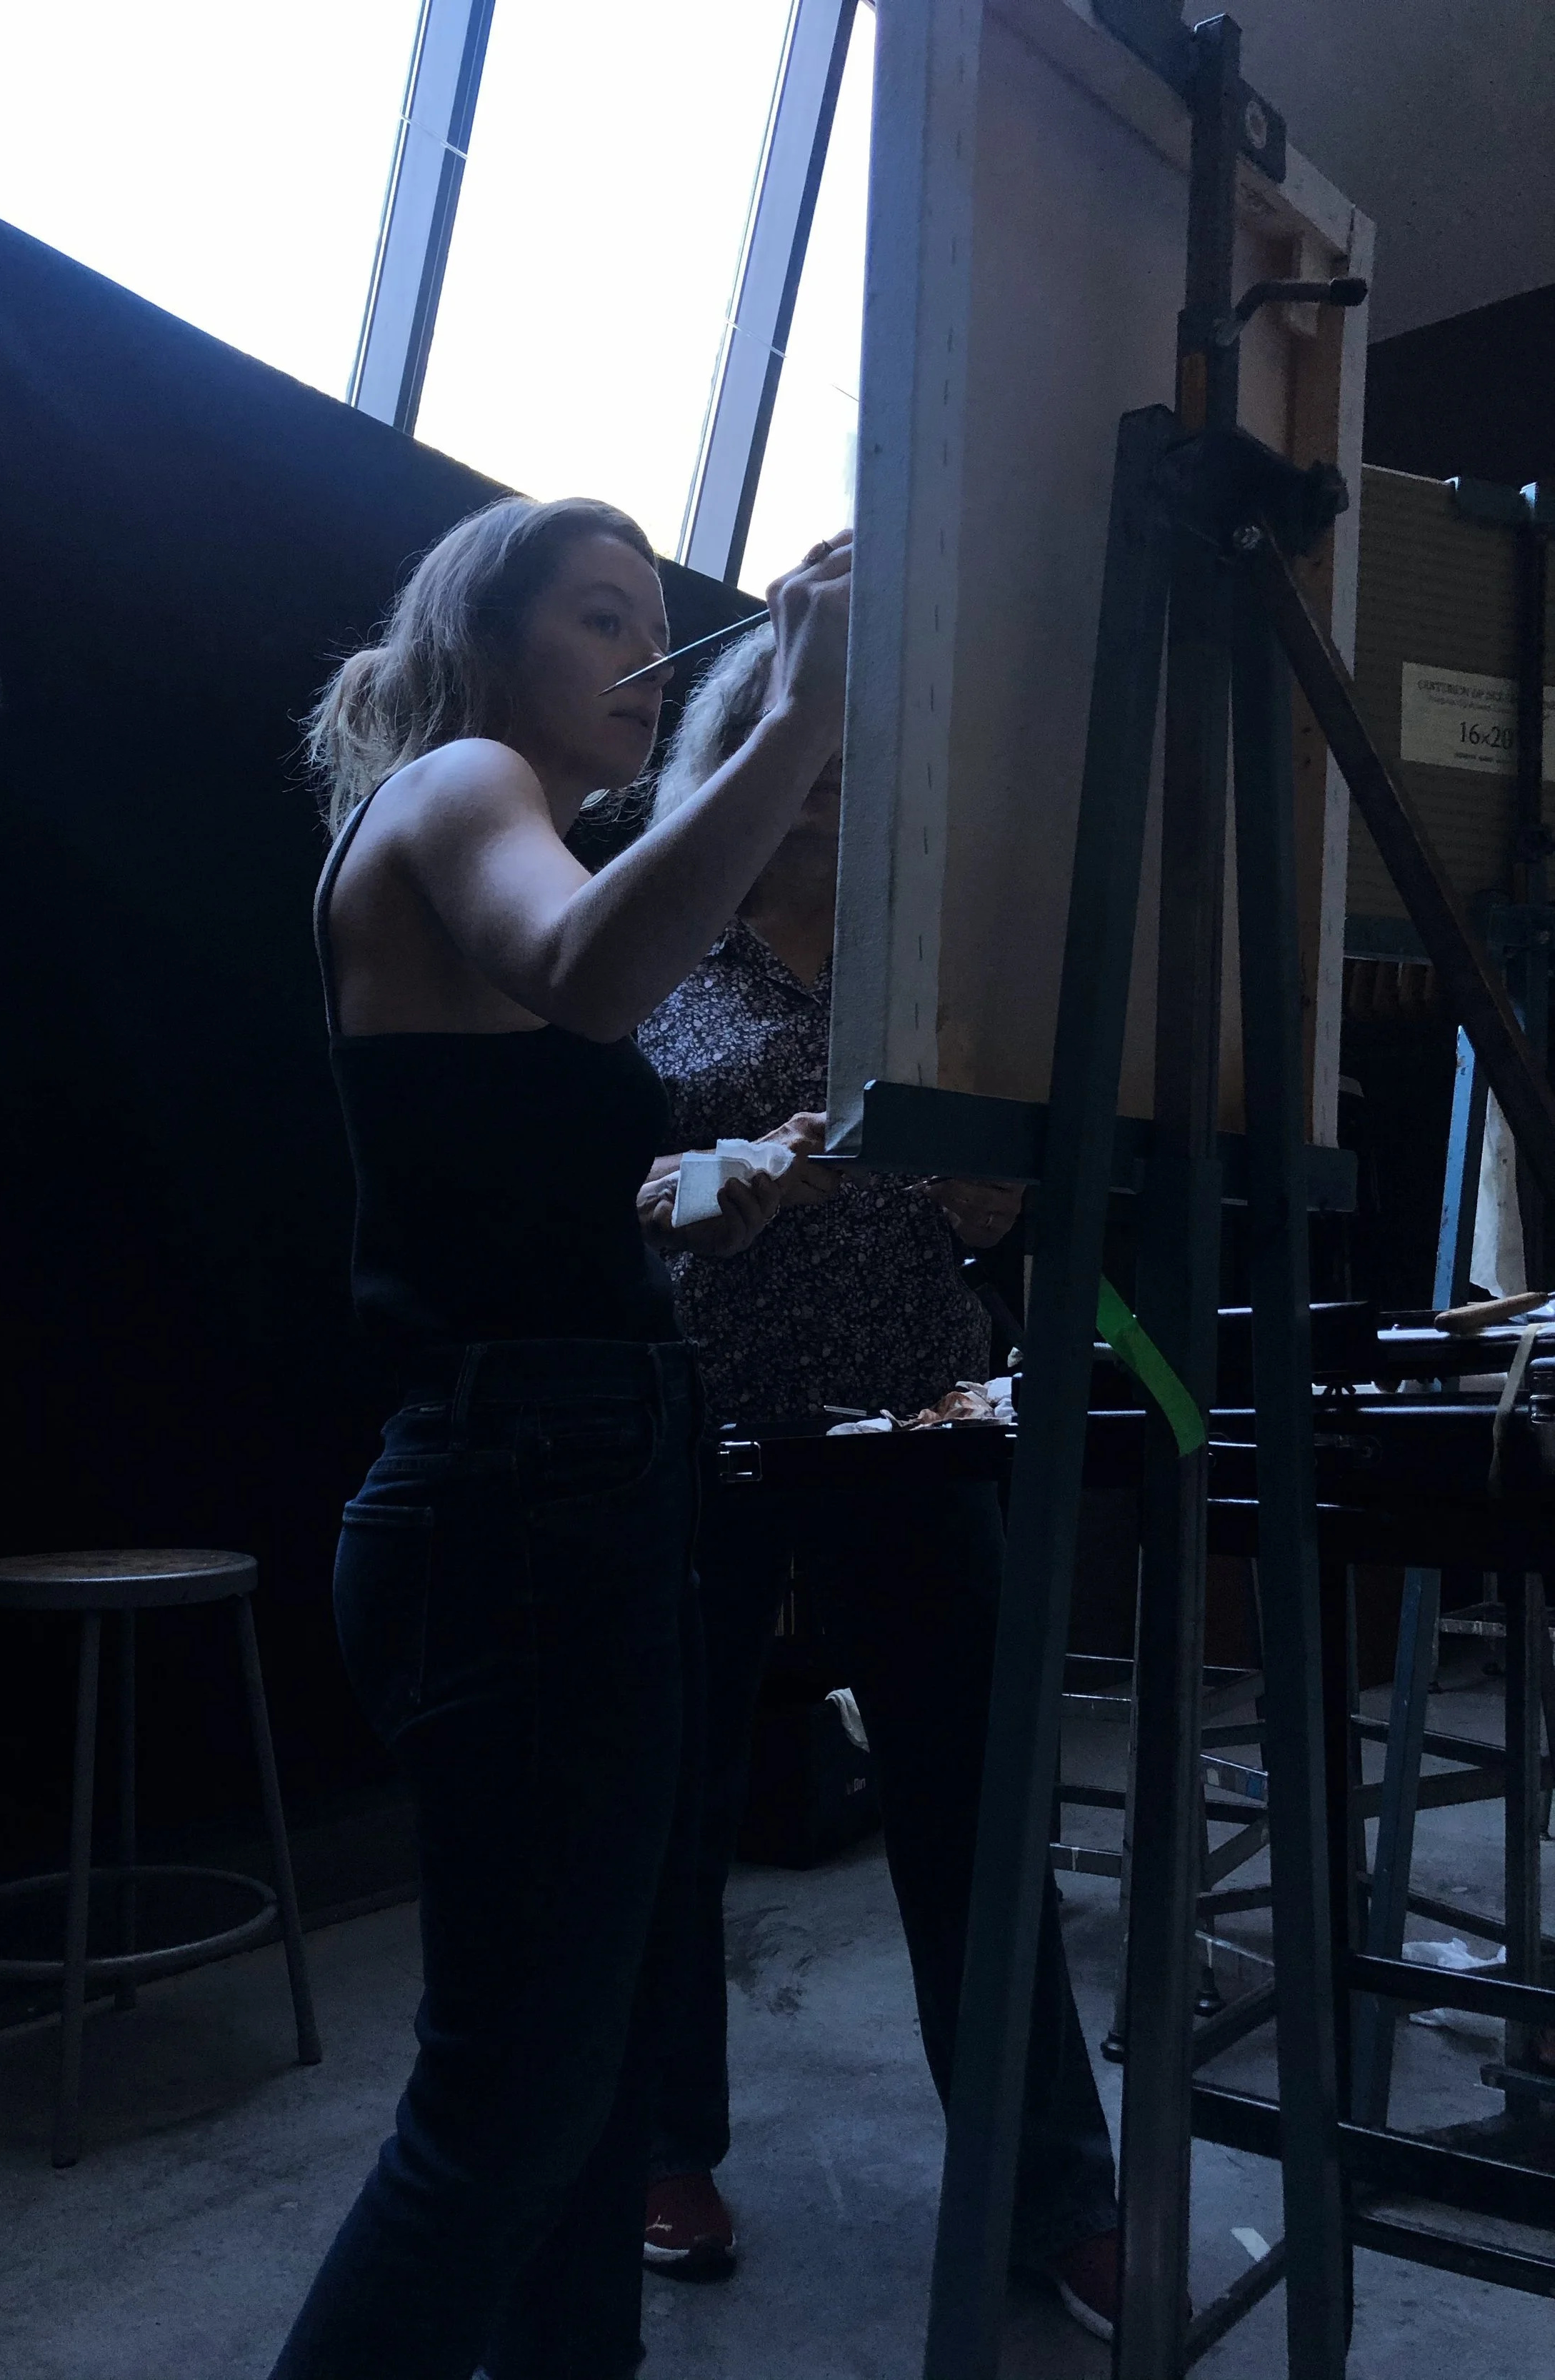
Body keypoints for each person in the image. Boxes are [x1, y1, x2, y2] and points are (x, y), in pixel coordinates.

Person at [268, 498, 851, 2380]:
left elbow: (520, 1183)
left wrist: (697, 1211)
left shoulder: (504, 827)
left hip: (568, 1470)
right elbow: (598, 973)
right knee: (507, 2109)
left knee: (581, 2088)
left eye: (654, 615)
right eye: (601, 615)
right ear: (487, 642)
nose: (646, 653)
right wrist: (798, 716)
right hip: (519, 1491)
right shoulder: (459, 783)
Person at [633, 624, 1124, 2343]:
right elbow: (591, 1183)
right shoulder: (648, 934)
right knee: (668, 1806)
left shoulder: (931, 955)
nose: (836, 767)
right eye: (808, 729)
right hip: (695, 1418)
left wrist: (1003, 1201)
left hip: (915, 1414)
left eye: (864, 741)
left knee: (974, 1811)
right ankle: (659, 2145)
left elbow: (1006, 1168)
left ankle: (1051, 2190)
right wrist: (714, 1178)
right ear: (738, 741)